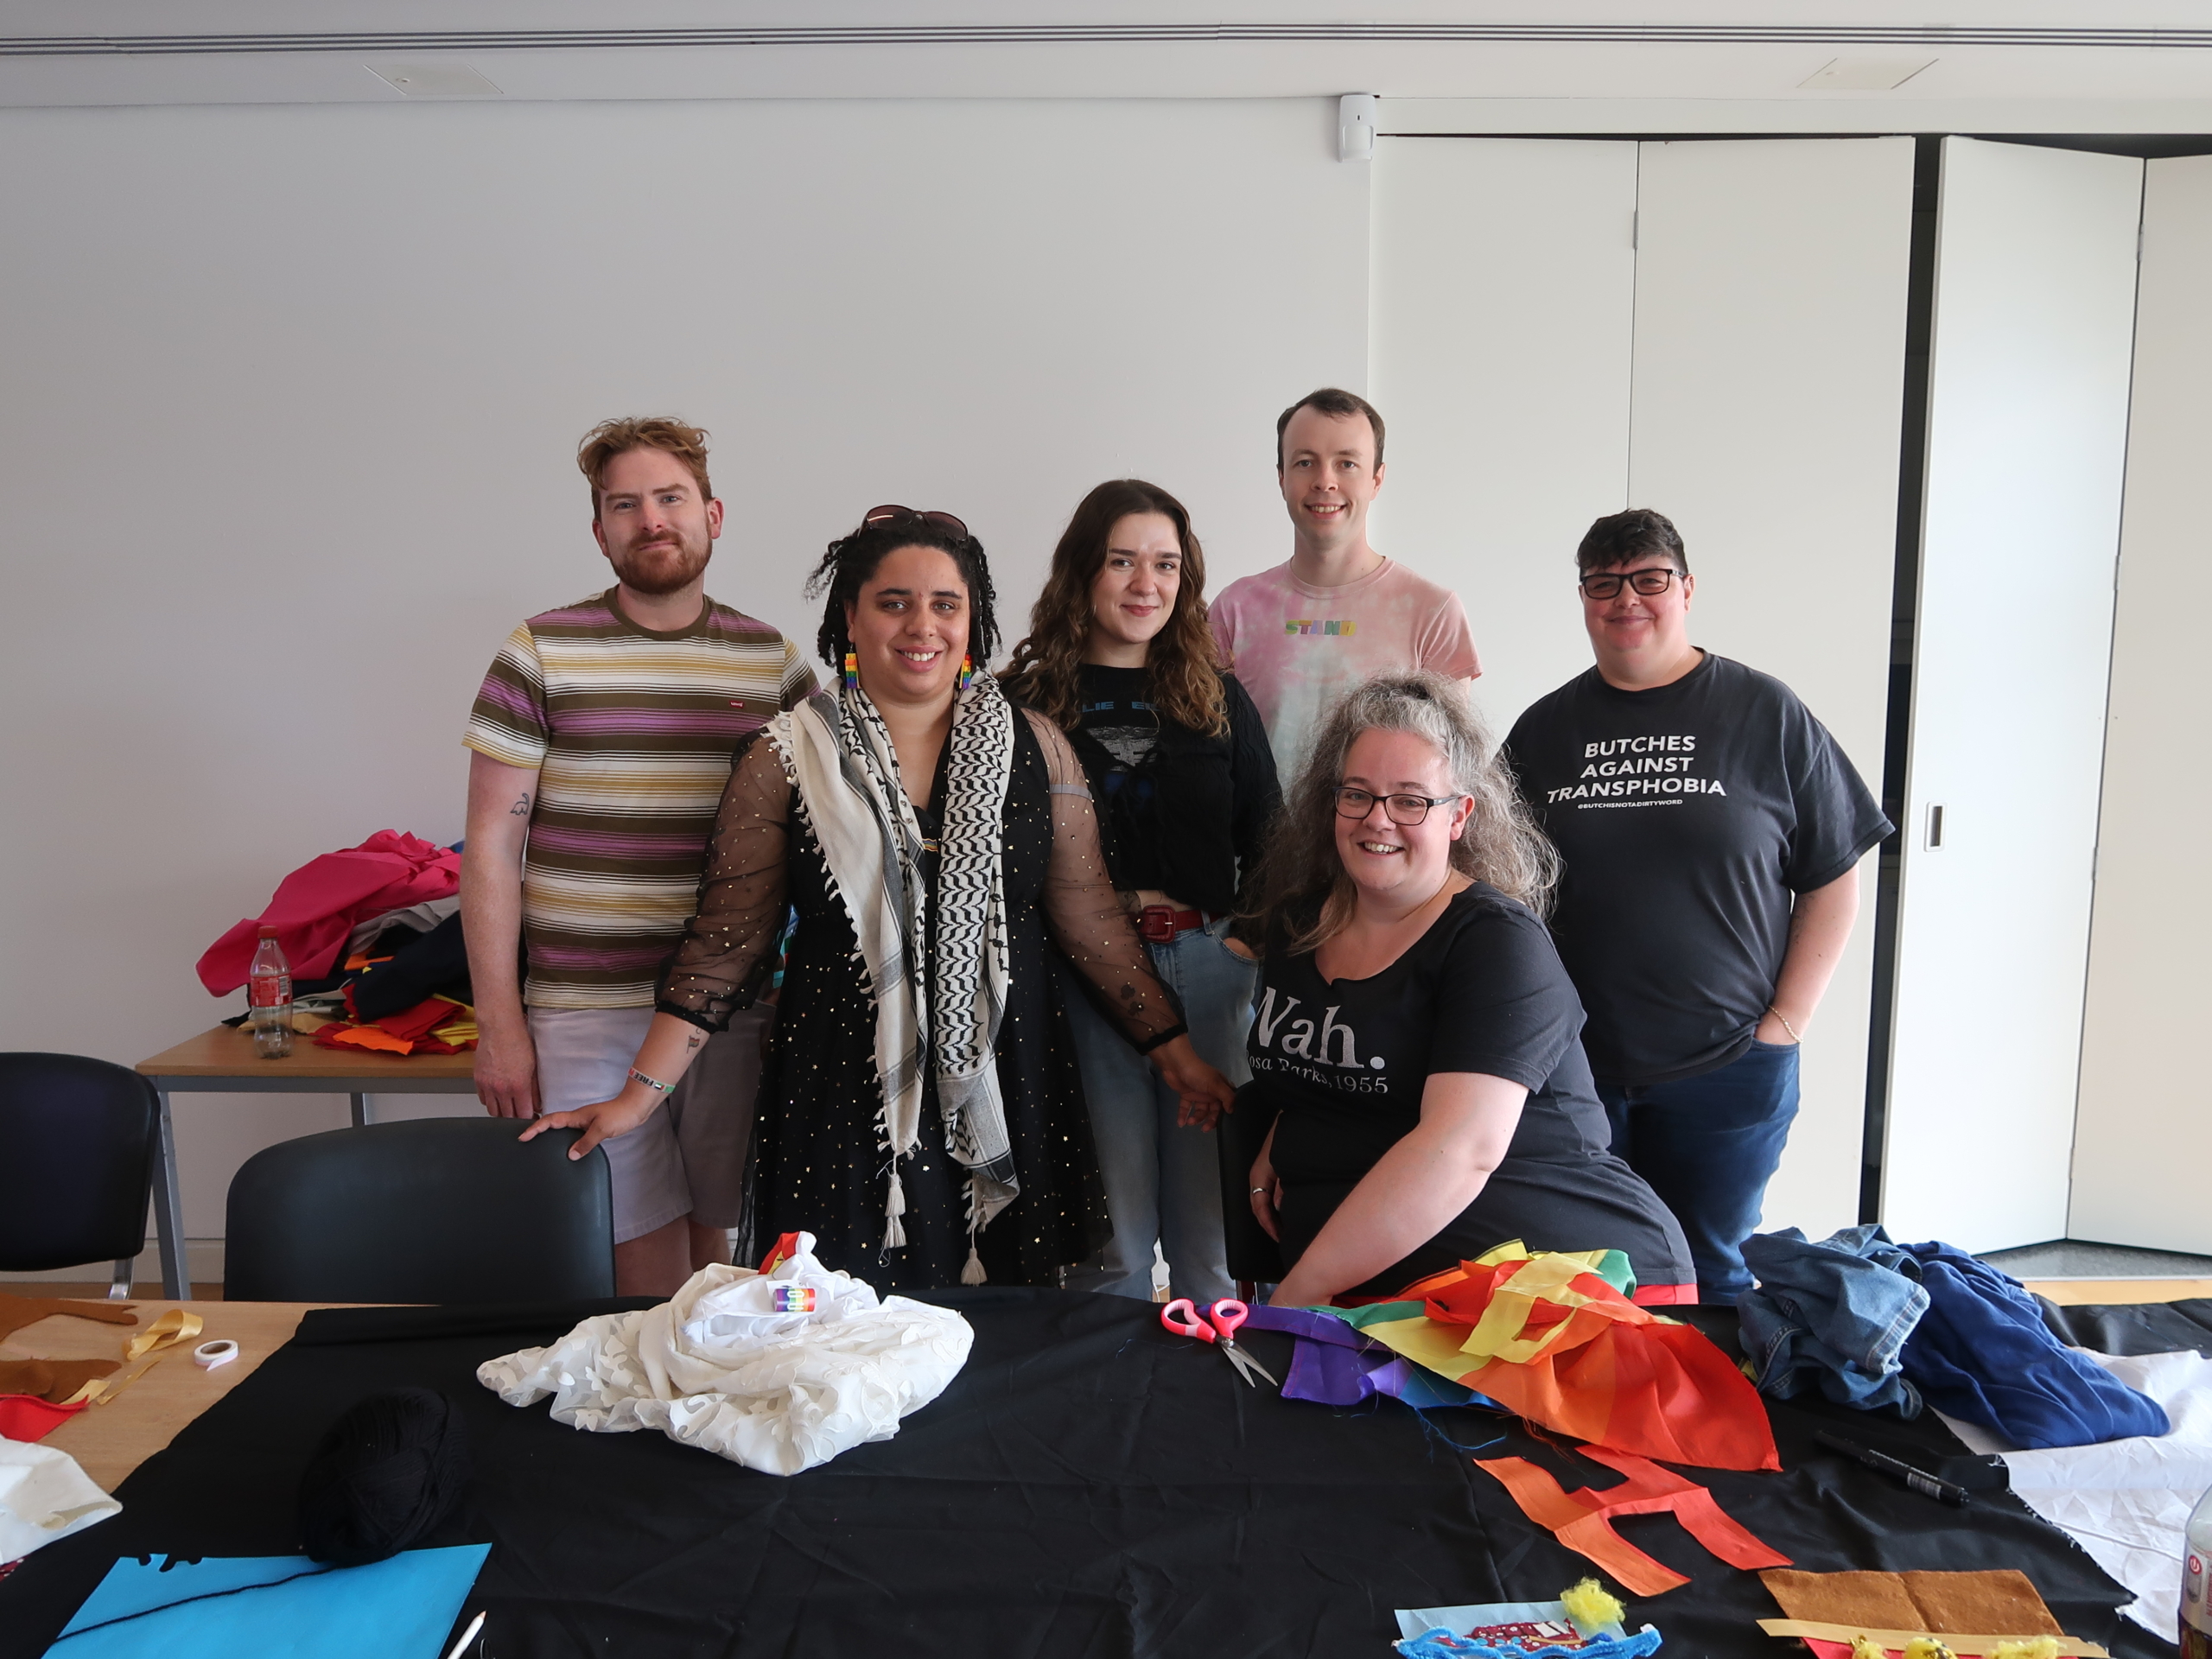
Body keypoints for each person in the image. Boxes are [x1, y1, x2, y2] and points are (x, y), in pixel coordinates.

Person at [525, 506, 1237, 1289]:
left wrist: (1174, 1053)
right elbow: (726, 946)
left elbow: (1090, 918)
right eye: (894, 602)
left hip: (1008, 1068)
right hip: (844, 1084)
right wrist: (638, 1096)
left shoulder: (1038, 745)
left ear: (973, 623)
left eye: (945, 605)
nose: (921, 626)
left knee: (1006, 1338)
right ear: (850, 619)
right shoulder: (785, 755)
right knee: (851, 1336)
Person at [461, 416, 817, 1297]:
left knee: (713, 1255)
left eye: (670, 498)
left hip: (728, 1012)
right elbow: (490, 848)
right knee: (631, 1266)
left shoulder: (770, 660)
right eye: (626, 505)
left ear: (713, 514)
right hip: (582, 1009)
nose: (650, 520)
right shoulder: (540, 651)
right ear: (600, 531)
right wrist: (499, 1026)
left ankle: (694, 1419)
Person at [1503, 508, 1891, 1304]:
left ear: (1686, 589)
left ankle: (1710, 1429)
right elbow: (1502, 892)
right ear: (1583, 599)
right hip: (1577, 1068)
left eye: (1649, 579)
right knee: (1585, 1278)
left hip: (1727, 1067)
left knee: (1709, 1275)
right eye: (1603, 584)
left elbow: (1835, 872)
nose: (1627, 600)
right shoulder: (1543, 731)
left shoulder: (1764, 713)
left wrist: (1785, 1024)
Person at [1245, 672, 1694, 1309]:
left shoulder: (1495, 943)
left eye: (1410, 800)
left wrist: (1290, 1304)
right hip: (1377, 1299)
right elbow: (1351, 1057)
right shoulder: (1298, 926)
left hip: (1561, 1292)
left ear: (1459, 816)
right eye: (1358, 794)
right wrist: (1288, 1128)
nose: (1378, 819)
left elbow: (1458, 1152)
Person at [999, 480, 1281, 1303]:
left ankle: (1214, 1412)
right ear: (1083, 572)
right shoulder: (1025, 703)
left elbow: (1270, 839)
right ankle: (1111, 1414)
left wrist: (1244, 944)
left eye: (1165, 564)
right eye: (1122, 560)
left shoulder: (1217, 697)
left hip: (1210, 970)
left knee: (1214, 1240)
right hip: (1082, 983)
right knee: (1112, 1240)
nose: (1143, 583)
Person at [1208, 387, 1480, 783]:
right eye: (1305, 462)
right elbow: (1208, 757)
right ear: (1282, 478)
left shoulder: (1432, 612)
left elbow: (1448, 773)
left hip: (1379, 844)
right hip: (1254, 845)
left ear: (1377, 480)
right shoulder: (1233, 609)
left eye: (1347, 464)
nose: (1325, 481)